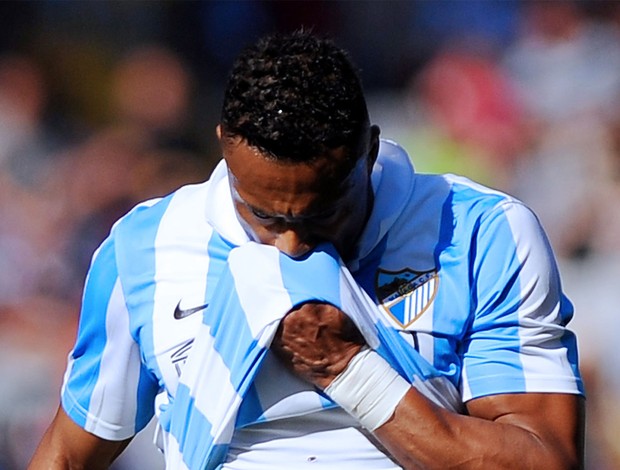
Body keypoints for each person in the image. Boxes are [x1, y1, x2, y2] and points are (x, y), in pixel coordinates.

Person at [29, 30, 584, 469]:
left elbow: (543, 459)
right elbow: (71, 455)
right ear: (223, 143)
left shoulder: (480, 232)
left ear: (368, 152)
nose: (292, 247)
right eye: (265, 215)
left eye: (323, 214)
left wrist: (349, 370)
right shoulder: (143, 249)